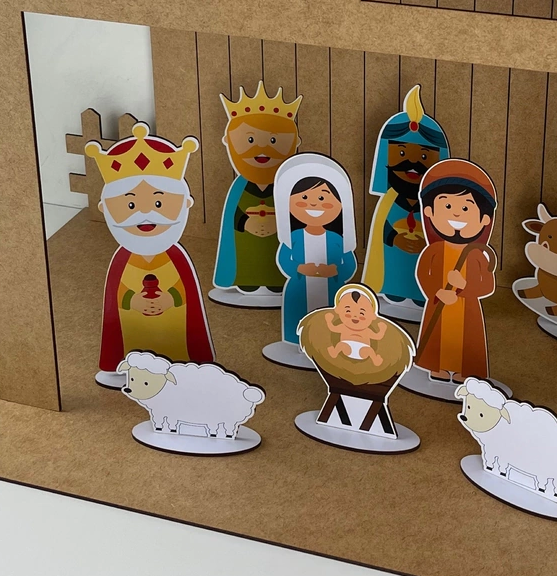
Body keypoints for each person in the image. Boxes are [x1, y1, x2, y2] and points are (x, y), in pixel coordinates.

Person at [85, 123, 214, 387]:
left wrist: (171, 298)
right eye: (130, 204)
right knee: (136, 344)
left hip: (174, 323)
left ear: (185, 204)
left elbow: (186, 291)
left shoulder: (176, 257)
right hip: (133, 325)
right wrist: (132, 301)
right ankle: (130, 366)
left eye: (158, 203)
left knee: (175, 346)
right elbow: (116, 297)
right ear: (105, 208)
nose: (145, 214)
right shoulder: (122, 259)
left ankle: (181, 365)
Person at [211, 82, 302, 305]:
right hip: (245, 240)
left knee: (276, 262)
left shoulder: (287, 186)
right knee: (247, 259)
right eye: (250, 140)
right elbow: (232, 215)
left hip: (277, 242)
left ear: (295, 142)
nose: (262, 150)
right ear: (228, 142)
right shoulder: (238, 188)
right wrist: (245, 223)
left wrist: (280, 226)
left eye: (274, 141)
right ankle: (246, 280)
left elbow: (296, 213)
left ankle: (278, 280)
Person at [362, 85, 448, 319]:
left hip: (424, 262)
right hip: (393, 258)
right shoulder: (388, 201)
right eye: (401, 153)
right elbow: (381, 228)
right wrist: (395, 238)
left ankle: (421, 295)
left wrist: (427, 245)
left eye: (424, 156)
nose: (412, 163)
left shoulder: (438, 207)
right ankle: (393, 291)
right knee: (394, 272)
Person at [414, 159, 498, 383]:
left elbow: (488, 284)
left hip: (467, 309)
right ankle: (437, 367)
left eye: (466, 208)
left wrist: (464, 288)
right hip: (439, 304)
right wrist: (437, 292)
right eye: (448, 207)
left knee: (466, 339)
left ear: (484, 219)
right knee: (438, 336)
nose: (457, 215)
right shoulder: (434, 251)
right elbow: (423, 274)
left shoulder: (476, 254)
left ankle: (465, 371)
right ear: (429, 212)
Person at [274, 153, 357, 347]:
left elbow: (350, 263)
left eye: (322, 197)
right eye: (304, 197)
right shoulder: (293, 237)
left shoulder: (337, 239)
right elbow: (284, 258)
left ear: (340, 204)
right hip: (299, 287)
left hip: (333, 288)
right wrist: (299, 268)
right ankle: (297, 341)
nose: (313, 204)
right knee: (298, 318)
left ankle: (329, 345)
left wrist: (336, 270)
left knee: (331, 322)